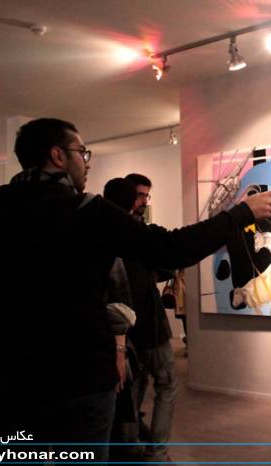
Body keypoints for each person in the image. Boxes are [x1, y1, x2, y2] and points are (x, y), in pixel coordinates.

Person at [0, 118, 271, 462]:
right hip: (81, 380)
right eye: (82, 153)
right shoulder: (86, 212)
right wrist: (240, 214)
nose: (86, 163)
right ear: (58, 155)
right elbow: (172, 248)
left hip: (10, 380)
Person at [122, 173, 177, 461]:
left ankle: (131, 446)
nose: (144, 201)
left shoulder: (127, 231)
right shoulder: (132, 234)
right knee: (165, 383)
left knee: (135, 387)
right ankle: (155, 451)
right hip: (145, 327)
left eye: (147, 196)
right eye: (140, 195)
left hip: (136, 326)